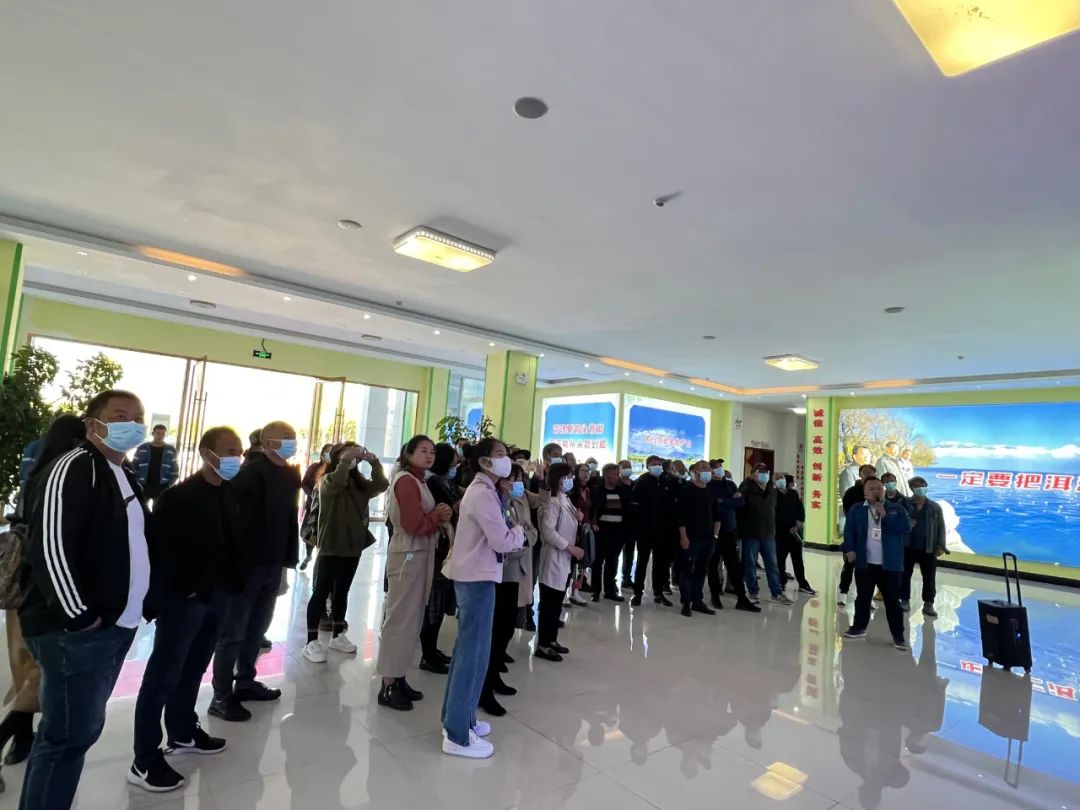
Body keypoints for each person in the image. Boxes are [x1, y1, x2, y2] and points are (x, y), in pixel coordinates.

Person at [18, 390, 151, 810]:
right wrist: (79, 616)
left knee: (76, 733)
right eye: (120, 416)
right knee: (65, 739)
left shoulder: (123, 472)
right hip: (76, 631)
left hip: (115, 624)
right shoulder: (74, 467)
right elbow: (51, 547)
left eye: (137, 417)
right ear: (93, 424)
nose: (132, 424)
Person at [128, 426, 245, 792]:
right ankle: (144, 758)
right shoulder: (178, 497)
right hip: (184, 600)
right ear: (207, 453)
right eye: (229, 451)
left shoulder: (228, 493)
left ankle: (182, 732)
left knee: (194, 668)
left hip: (217, 595)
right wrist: (184, 591)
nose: (236, 459)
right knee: (163, 676)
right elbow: (161, 553)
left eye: (239, 452)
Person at [0, 415, 85, 769]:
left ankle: (22, 739)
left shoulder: (34, 467)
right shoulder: (65, 476)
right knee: (40, 675)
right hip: (45, 591)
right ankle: (12, 736)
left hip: (20, 587)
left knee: (26, 669)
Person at [210, 421, 301, 722]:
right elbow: (229, 517)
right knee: (233, 632)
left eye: (293, 437)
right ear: (269, 441)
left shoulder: (288, 474)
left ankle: (246, 682)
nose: (291, 442)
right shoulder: (248, 474)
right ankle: (221, 695)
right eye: (285, 437)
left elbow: (289, 520)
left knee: (258, 627)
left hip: (273, 563)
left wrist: (287, 562)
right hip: (246, 566)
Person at [443, 439, 526, 751]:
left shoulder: (488, 491)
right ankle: (457, 735)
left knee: (470, 653)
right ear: (484, 462)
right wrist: (519, 531)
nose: (507, 461)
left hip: (478, 575)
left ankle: (462, 718)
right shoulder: (482, 494)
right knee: (472, 655)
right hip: (476, 578)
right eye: (500, 455)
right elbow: (502, 540)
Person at [377, 436, 453, 711]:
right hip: (408, 554)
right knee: (400, 620)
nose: (429, 455)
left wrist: (439, 513)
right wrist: (437, 517)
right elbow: (412, 523)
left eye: (432, 451)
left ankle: (399, 677)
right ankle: (387, 683)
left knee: (412, 620)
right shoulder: (406, 481)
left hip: (421, 553)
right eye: (423, 451)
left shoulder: (420, 480)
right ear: (408, 455)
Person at [303, 443, 388, 664]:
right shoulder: (327, 480)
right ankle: (311, 641)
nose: (352, 457)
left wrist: (375, 463)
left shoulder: (359, 484)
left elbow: (381, 485)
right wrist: (344, 461)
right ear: (337, 458)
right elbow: (337, 483)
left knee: (342, 591)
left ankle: (338, 635)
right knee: (320, 592)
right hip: (331, 545)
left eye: (355, 454)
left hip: (353, 546)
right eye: (346, 453)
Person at [842, 477, 910, 650]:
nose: (876, 492)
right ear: (865, 492)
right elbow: (849, 530)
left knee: (892, 600)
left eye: (879, 488)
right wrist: (849, 549)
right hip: (865, 563)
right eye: (871, 489)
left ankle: (898, 635)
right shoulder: (857, 509)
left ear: (884, 490)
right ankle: (859, 627)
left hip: (890, 564)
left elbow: (906, 528)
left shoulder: (896, 508)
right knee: (863, 597)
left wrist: (886, 517)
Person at [420, 443, 462, 674]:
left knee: (441, 602)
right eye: (454, 461)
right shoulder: (434, 483)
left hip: (448, 548)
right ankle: (427, 654)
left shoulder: (448, 482)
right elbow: (447, 510)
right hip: (438, 550)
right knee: (433, 607)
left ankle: (433, 650)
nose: (456, 465)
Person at [535, 463, 584, 661]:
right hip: (554, 558)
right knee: (549, 604)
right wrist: (569, 547)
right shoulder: (553, 502)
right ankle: (543, 645)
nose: (571, 480)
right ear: (558, 479)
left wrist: (578, 518)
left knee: (556, 604)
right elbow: (548, 531)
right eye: (567, 476)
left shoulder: (565, 500)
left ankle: (551, 639)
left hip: (564, 559)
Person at [707, 460, 761, 613]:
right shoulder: (709, 486)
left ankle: (742, 598)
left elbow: (741, 502)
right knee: (713, 564)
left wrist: (723, 501)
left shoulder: (730, 484)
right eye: (715, 467)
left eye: (719, 466)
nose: (719, 469)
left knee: (734, 565)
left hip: (730, 530)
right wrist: (730, 500)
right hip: (714, 531)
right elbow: (713, 505)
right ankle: (715, 595)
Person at [737, 463, 790, 605]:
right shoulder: (747, 489)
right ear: (754, 474)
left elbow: (774, 508)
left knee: (772, 564)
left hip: (768, 533)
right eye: (761, 472)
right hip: (751, 533)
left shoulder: (772, 490)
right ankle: (753, 592)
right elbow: (740, 510)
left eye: (766, 472)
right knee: (750, 564)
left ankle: (776, 592)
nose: (764, 475)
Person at [676, 462, 719, 617]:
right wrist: (683, 536)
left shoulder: (711, 490)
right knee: (687, 570)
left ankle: (697, 601)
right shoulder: (687, 490)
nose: (707, 471)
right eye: (703, 468)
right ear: (696, 472)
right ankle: (686, 603)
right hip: (691, 537)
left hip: (708, 537)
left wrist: (715, 535)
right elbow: (680, 516)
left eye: (708, 468)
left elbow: (717, 515)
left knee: (702, 570)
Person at [901, 476, 947, 618]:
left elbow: (941, 527)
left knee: (929, 577)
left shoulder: (934, 507)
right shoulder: (905, 504)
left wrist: (941, 545)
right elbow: (897, 522)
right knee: (904, 575)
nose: (920, 488)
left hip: (928, 548)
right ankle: (904, 600)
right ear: (912, 489)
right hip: (908, 547)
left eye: (922, 485)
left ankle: (928, 604)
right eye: (916, 486)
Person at [839, 464, 878, 606]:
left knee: (870, 568)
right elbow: (846, 511)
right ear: (860, 474)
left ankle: (867, 597)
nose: (868, 474)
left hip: (872, 536)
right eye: (865, 472)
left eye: (871, 472)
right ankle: (843, 593)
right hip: (855, 533)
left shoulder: (877, 492)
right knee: (849, 565)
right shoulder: (851, 492)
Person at [630, 455, 666, 607]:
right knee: (642, 562)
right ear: (648, 466)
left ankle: (658, 593)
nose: (657, 467)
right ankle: (638, 593)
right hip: (644, 530)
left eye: (659, 464)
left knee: (660, 563)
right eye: (654, 464)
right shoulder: (641, 482)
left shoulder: (665, 481)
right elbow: (634, 507)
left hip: (662, 530)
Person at [592, 464, 631, 602]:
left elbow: (627, 511)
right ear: (606, 475)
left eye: (617, 473)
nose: (616, 476)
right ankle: (596, 591)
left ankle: (610, 591)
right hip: (601, 532)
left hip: (617, 533)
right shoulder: (598, 490)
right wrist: (594, 523)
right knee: (597, 562)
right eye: (613, 473)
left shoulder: (622, 491)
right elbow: (594, 509)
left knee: (612, 562)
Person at [775, 473, 815, 595]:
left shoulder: (793, 494)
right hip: (780, 533)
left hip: (794, 533)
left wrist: (798, 524)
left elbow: (800, 510)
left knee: (798, 560)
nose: (780, 481)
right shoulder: (773, 495)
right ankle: (781, 582)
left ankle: (803, 584)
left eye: (781, 479)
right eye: (777, 479)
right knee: (780, 560)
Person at [299, 443, 333, 571]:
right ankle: (308, 556)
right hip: (312, 507)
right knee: (309, 534)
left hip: (326, 509)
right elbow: (304, 483)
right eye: (327, 452)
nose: (328, 454)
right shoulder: (314, 467)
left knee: (321, 534)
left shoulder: (334, 470)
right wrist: (313, 496)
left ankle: (320, 561)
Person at [133, 424, 178, 505]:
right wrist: (136, 482)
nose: (160, 436)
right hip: (143, 485)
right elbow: (134, 466)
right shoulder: (142, 448)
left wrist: (169, 485)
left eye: (162, 434)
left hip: (162, 487)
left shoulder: (171, 450)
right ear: (153, 433)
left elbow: (174, 470)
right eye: (157, 433)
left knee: (159, 510)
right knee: (140, 508)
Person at [567, 463, 593, 605]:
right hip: (572, 529)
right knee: (571, 561)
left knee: (582, 562)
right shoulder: (571, 489)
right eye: (583, 470)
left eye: (588, 471)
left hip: (585, 530)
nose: (586, 473)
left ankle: (576, 591)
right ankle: (565, 591)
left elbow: (593, 508)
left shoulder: (590, 489)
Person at [616, 459, 637, 588]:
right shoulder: (616, 485)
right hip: (618, 525)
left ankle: (627, 578)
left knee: (629, 554)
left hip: (632, 525)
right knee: (615, 554)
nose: (627, 469)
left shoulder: (635, 485)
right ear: (619, 469)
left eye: (629, 466)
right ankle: (611, 580)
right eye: (624, 467)